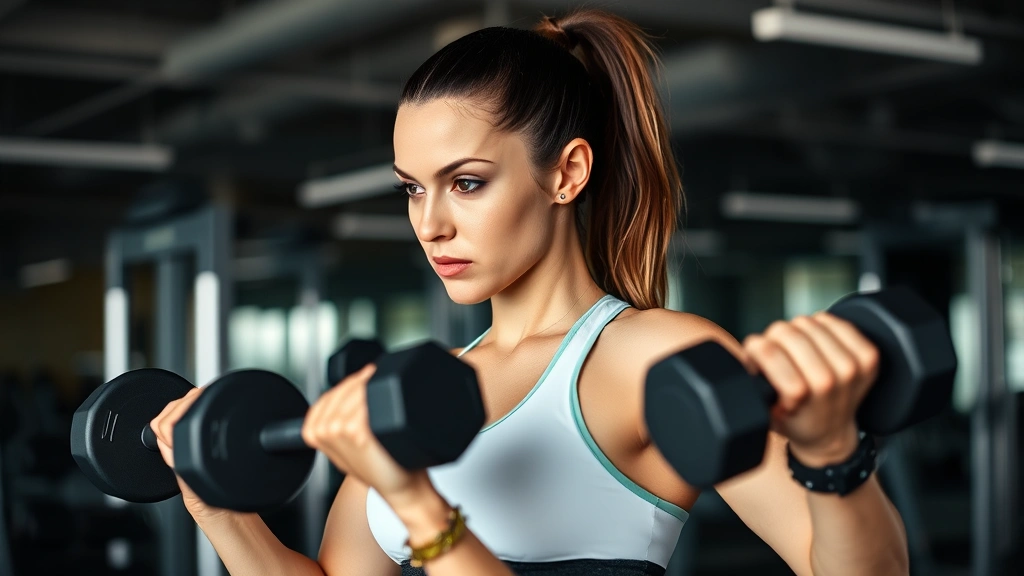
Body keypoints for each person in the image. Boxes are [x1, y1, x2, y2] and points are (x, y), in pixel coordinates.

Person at [150, 9, 909, 576]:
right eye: (412, 190)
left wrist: (833, 449)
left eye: (467, 183)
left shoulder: (648, 360)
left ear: (566, 174)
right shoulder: (421, 382)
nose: (432, 224)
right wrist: (218, 509)